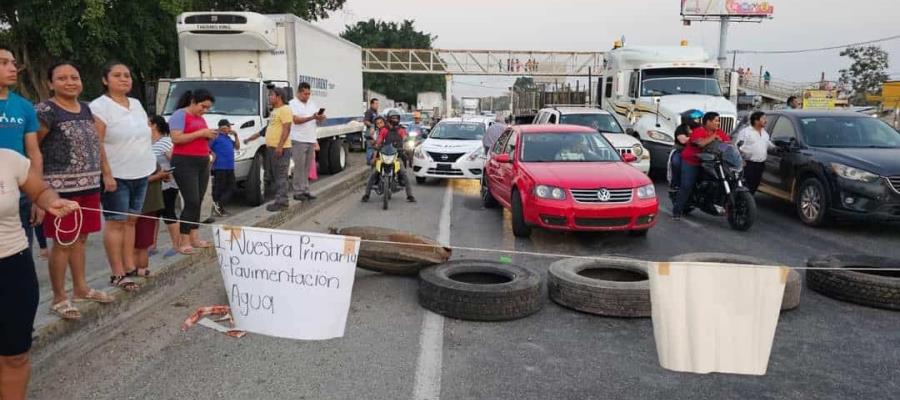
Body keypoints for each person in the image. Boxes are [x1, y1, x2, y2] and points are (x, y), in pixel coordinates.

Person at [35, 61, 115, 317]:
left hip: (89, 185)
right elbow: (33, 148)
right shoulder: (46, 111)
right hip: (59, 190)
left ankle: (81, 288)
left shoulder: (87, 109)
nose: (70, 82)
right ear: (50, 84)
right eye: (62, 78)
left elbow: (97, 144)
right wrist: (37, 190)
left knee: (81, 238)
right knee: (63, 242)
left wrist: (106, 173)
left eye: (75, 77)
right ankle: (59, 297)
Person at [0, 147, 79, 400]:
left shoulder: (9, 159)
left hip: (12, 267)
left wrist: (50, 201)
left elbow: (40, 190)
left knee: (15, 355)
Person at [90, 61, 156, 289]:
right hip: (116, 175)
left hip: (140, 172)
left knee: (131, 221)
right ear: (105, 80)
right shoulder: (100, 106)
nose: (124, 79)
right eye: (117, 75)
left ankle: (130, 265)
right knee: (116, 222)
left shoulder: (136, 103)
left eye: (127, 75)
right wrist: (106, 174)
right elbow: (96, 142)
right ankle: (117, 272)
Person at [0, 45, 45, 256]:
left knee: (19, 253)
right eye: (3, 63)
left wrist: (38, 196)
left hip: (20, 193)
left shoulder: (24, 106)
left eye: (13, 64)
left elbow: (34, 152)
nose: (12, 69)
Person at [169, 89, 217, 254]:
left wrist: (208, 137)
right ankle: (184, 239)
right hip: (184, 161)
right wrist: (201, 133)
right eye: (203, 106)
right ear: (194, 101)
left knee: (199, 200)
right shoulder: (179, 115)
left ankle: (195, 236)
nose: (204, 110)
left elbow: (198, 137)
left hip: (202, 160)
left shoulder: (201, 119)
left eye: (207, 108)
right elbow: (176, 138)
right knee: (191, 200)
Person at [672, 112, 730, 220]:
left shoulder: (718, 132)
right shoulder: (698, 131)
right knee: (687, 185)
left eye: (718, 121)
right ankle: (677, 211)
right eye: (716, 120)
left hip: (710, 162)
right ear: (708, 122)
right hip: (692, 161)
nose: (718, 123)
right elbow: (701, 143)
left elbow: (727, 143)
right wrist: (713, 137)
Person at [244, 88, 292, 212]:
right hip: (271, 148)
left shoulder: (285, 110)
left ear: (279, 97)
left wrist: (280, 146)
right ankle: (280, 199)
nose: (269, 98)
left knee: (281, 174)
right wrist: (250, 138)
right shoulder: (275, 111)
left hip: (281, 148)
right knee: (276, 175)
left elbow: (287, 129)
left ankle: (282, 202)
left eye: (271, 95)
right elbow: (266, 130)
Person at [362, 110, 416, 203]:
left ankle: (410, 195)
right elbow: (379, 140)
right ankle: (366, 194)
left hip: (396, 156)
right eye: (393, 118)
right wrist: (376, 145)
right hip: (384, 155)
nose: (395, 120)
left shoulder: (401, 130)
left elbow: (405, 138)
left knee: (404, 173)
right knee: (374, 173)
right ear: (389, 119)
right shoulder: (384, 130)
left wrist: (407, 144)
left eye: (397, 118)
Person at [150, 115, 181, 258]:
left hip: (168, 184)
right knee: (153, 215)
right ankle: (152, 245)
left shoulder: (166, 142)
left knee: (168, 213)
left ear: (154, 125)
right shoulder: (148, 143)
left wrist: (167, 174)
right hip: (154, 185)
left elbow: (175, 161)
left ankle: (176, 245)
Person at [289, 82, 325, 201]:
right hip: (298, 139)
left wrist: (319, 118)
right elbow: (296, 120)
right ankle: (297, 191)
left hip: (310, 138)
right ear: (299, 92)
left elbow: (316, 121)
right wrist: (312, 117)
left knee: (307, 167)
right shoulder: (292, 104)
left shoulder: (311, 104)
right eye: (305, 94)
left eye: (309, 94)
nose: (307, 96)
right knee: (299, 166)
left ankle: (305, 189)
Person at [132, 162, 166, 278]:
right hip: (141, 204)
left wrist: (163, 175)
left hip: (150, 203)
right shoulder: (135, 156)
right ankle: (136, 269)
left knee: (143, 243)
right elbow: (135, 181)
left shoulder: (148, 155)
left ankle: (141, 269)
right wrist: (159, 176)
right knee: (138, 243)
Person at [733, 111, 773, 194]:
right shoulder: (746, 132)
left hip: (760, 164)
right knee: (747, 185)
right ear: (756, 121)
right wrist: (741, 160)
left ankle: (749, 202)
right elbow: (737, 146)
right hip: (748, 164)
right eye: (764, 119)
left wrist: (777, 148)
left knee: (755, 184)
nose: (766, 121)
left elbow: (768, 144)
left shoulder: (765, 133)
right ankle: (744, 203)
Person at [209, 119, 240, 216]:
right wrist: (212, 154)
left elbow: (237, 147)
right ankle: (219, 208)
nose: (230, 129)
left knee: (232, 188)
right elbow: (207, 147)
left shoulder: (228, 138)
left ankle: (218, 204)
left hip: (230, 167)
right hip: (220, 167)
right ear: (224, 127)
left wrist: (236, 135)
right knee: (220, 188)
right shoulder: (216, 136)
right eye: (229, 127)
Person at [669, 109, 703, 192]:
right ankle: (676, 183)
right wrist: (695, 138)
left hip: (698, 151)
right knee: (676, 162)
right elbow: (683, 140)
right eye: (696, 119)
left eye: (699, 118)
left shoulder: (701, 128)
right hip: (681, 151)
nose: (698, 120)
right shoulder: (680, 129)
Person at [363, 98, 380, 165]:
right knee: (370, 147)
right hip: (370, 132)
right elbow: (365, 121)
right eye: (376, 103)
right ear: (372, 104)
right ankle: (369, 161)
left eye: (377, 103)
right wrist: (373, 126)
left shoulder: (375, 112)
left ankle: (373, 160)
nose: (377, 105)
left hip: (375, 133)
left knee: (374, 147)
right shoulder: (369, 112)